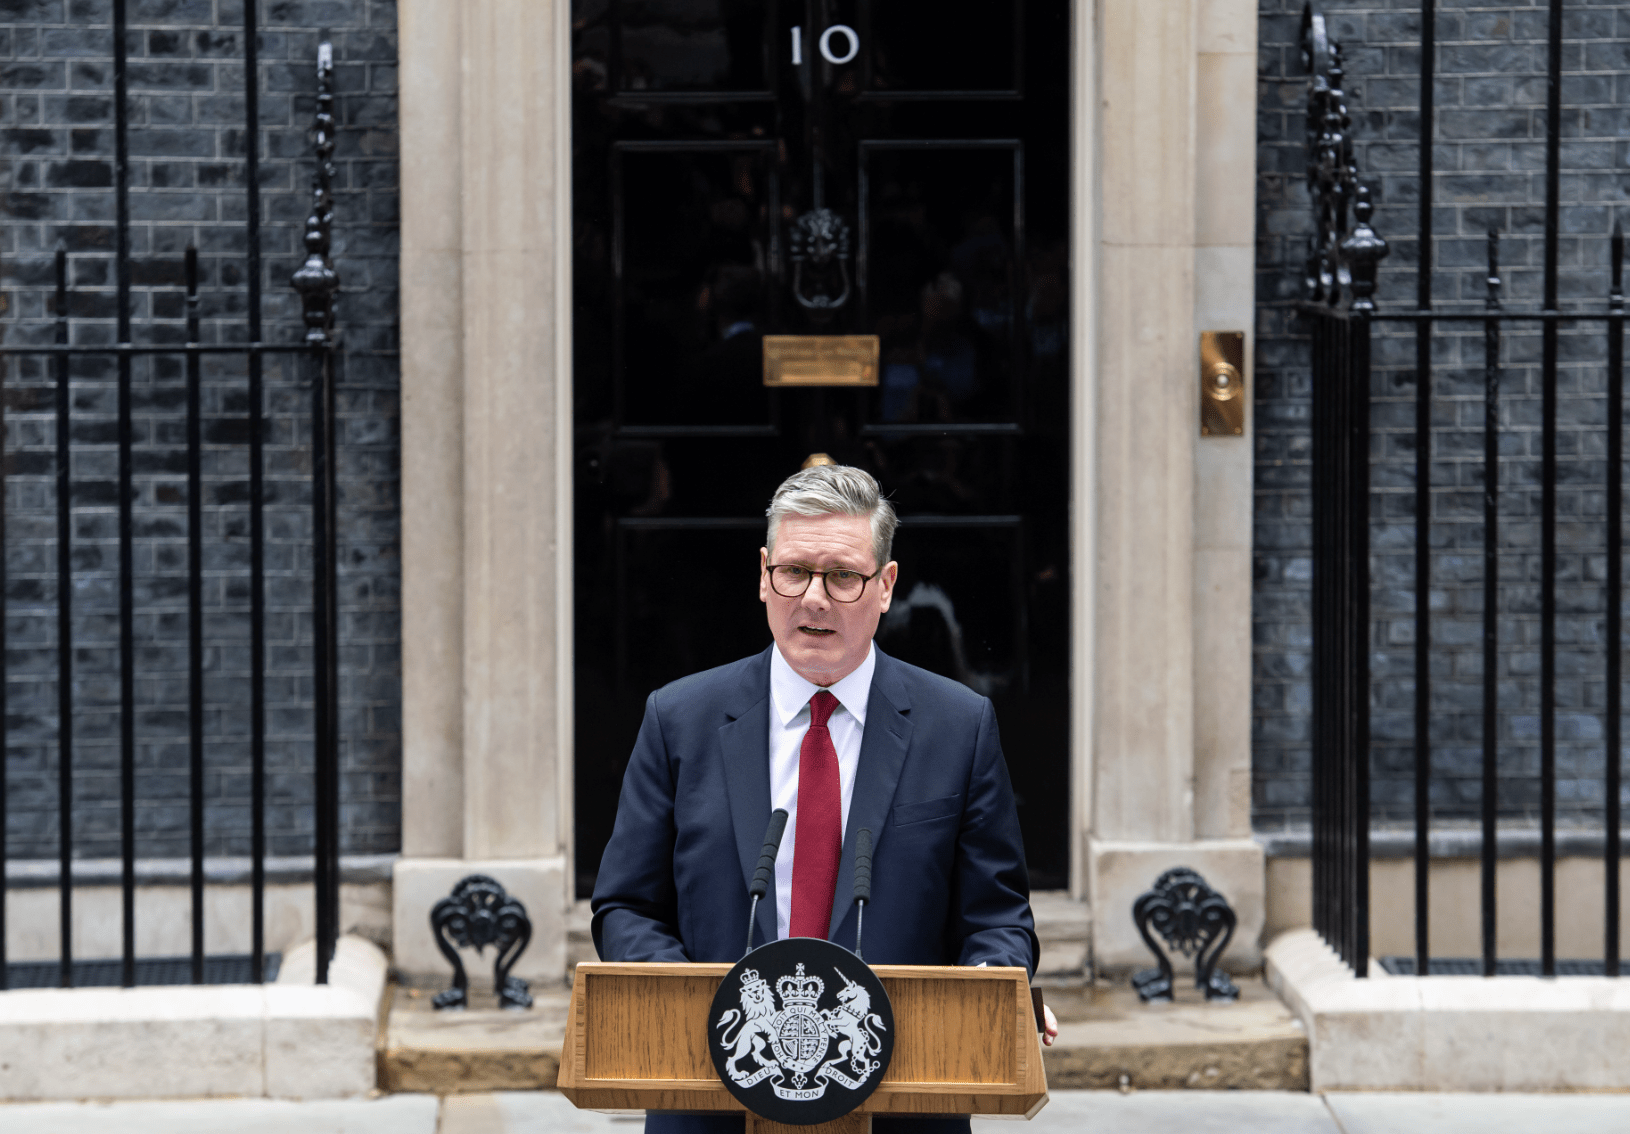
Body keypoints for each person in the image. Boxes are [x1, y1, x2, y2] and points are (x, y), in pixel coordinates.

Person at [591, 463, 1057, 1134]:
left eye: (842, 576)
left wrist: (994, 992)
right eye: (794, 572)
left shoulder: (958, 726)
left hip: (905, 1101)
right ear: (763, 575)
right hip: (712, 1097)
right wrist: (693, 1003)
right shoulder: (679, 719)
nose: (814, 598)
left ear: (886, 586)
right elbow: (626, 906)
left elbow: (998, 916)